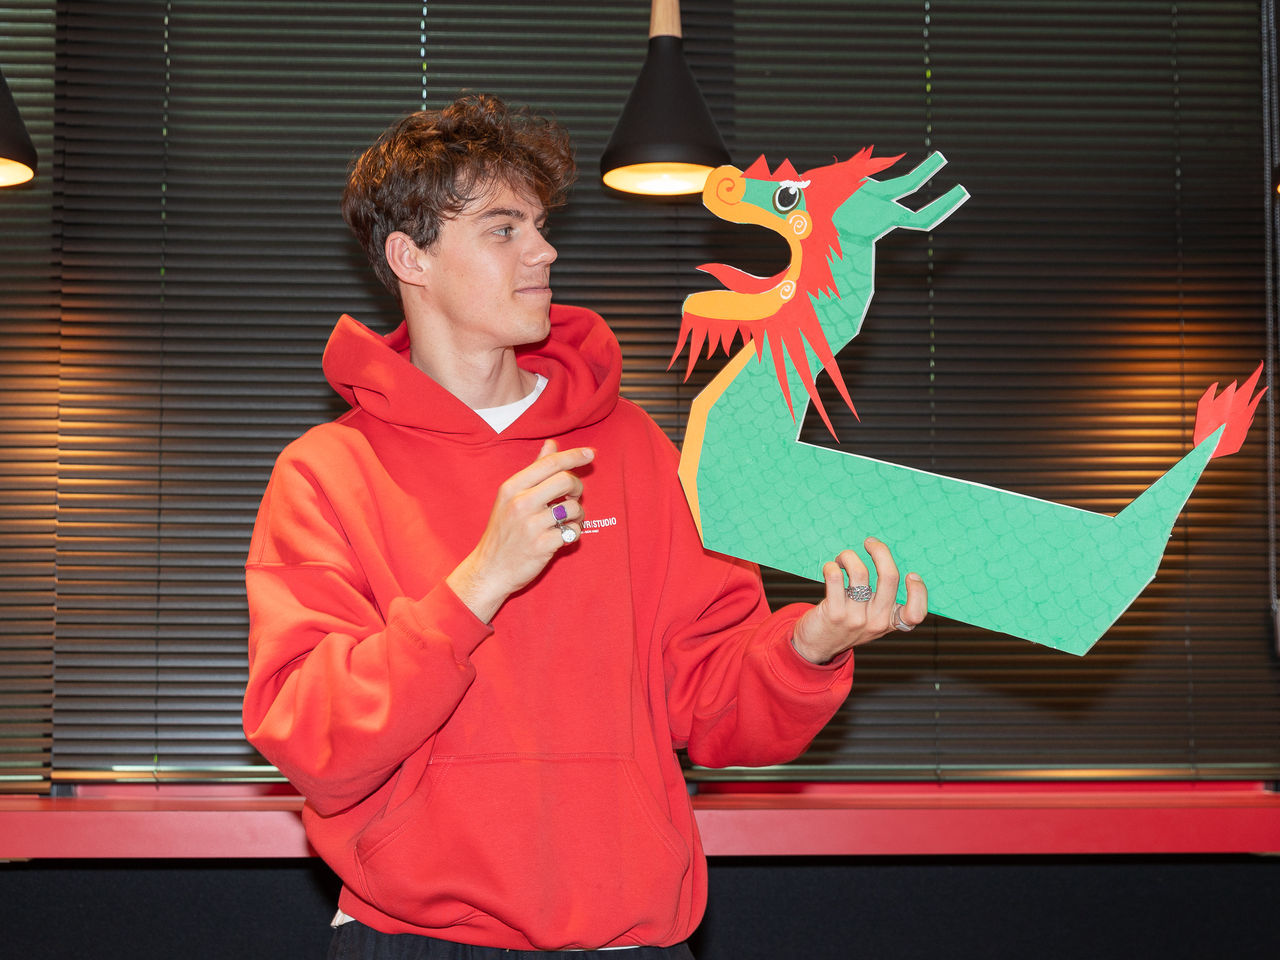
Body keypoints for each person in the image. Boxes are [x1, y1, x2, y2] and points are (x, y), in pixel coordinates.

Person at [242, 93, 927, 959]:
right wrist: (477, 583)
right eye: (503, 230)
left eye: (539, 226)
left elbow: (712, 701)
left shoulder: (631, 449)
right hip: (416, 938)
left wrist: (809, 647)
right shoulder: (326, 474)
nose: (544, 250)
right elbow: (312, 739)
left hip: (627, 940)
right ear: (411, 257)